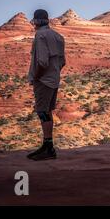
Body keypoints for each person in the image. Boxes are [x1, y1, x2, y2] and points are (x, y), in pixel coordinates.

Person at [27, 9, 65, 161]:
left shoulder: (40, 36)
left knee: (42, 112)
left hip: (42, 80)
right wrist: (53, 73)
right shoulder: (58, 36)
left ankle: (48, 148)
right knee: (47, 111)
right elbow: (62, 62)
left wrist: (36, 77)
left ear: (36, 21)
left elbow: (42, 62)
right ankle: (47, 146)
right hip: (54, 79)